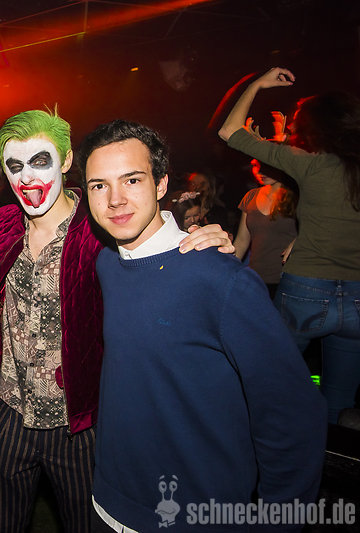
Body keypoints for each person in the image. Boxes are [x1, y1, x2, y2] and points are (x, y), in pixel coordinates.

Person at [0, 109, 233, 533]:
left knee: (87, 524)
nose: (27, 177)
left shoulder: (102, 228)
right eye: (15, 165)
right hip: (12, 410)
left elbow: (153, 251)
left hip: (79, 421)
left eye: (40, 161)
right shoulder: (3, 223)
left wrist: (201, 241)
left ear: (66, 161)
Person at [81, 118, 326, 532]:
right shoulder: (106, 263)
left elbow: (292, 413)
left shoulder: (220, 279)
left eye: (132, 180)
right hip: (108, 503)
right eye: (99, 186)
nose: (115, 200)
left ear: (161, 184)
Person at [218, 67, 360, 423]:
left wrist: (257, 83)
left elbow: (229, 131)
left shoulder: (311, 163)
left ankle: (269, 451)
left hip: (307, 289)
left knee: (271, 386)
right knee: (338, 402)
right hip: (358, 296)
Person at [233, 158, 297, 299]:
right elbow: (242, 241)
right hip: (256, 280)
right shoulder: (250, 196)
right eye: (256, 166)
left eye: (267, 166)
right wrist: (227, 269)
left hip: (289, 280)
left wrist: (299, 240)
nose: (260, 172)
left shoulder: (297, 197)